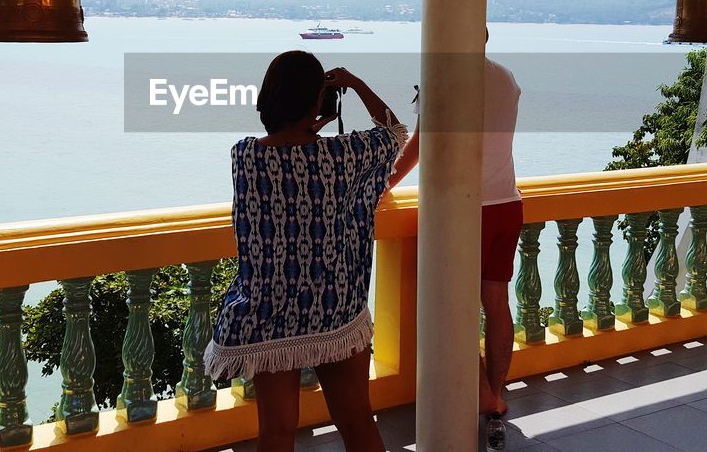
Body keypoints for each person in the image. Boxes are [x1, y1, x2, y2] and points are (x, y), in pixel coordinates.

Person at [205, 51, 407, 452]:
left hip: (271, 313)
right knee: (356, 422)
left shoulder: (246, 156)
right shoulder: (344, 156)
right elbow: (395, 130)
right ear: (319, 100)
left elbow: (286, 158)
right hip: (335, 308)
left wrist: (301, 123)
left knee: (277, 432)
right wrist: (354, 82)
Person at [387, 41, 522, 451]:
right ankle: (496, 403)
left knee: (456, 310)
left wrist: (384, 183)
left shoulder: (442, 80)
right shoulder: (506, 77)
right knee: (495, 303)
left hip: (468, 211)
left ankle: (484, 395)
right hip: (507, 202)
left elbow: (421, 142)